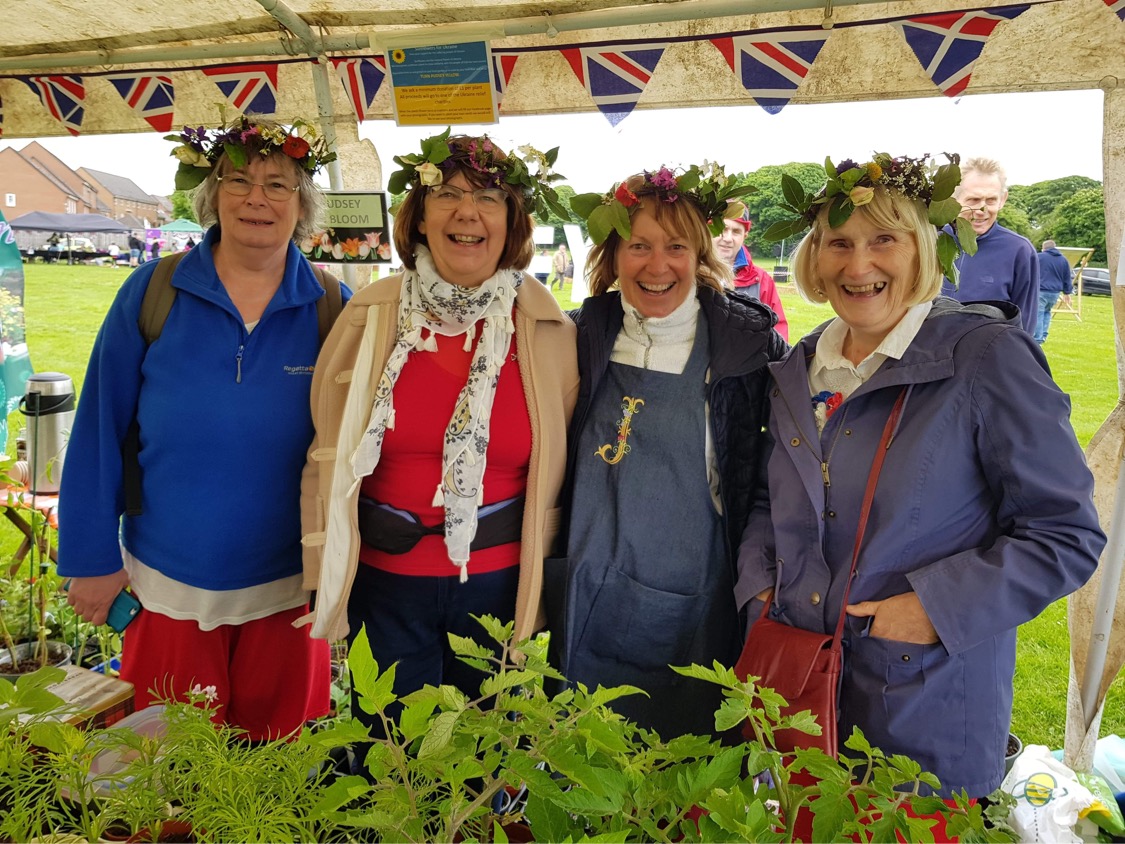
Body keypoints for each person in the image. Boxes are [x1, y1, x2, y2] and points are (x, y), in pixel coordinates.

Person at [736, 153, 1104, 810]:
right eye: (839, 243)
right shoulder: (798, 366)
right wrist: (759, 588)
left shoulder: (983, 358)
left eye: (884, 239)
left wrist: (935, 608)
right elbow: (771, 496)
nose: (858, 265)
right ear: (814, 257)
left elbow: (1064, 533)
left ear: (922, 249)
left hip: (921, 702)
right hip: (791, 684)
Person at [59, 114, 347, 740]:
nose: (256, 198)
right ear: (212, 194)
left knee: (272, 774)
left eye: (278, 184)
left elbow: (358, 449)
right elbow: (98, 430)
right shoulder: (152, 291)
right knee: (164, 776)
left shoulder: (333, 307)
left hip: (288, 590)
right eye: (237, 179)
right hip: (168, 584)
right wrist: (89, 557)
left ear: (304, 204)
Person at [298, 131, 578, 753]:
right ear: (419, 217)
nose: (466, 212)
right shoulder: (370, 314)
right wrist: (322, 570)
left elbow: (566, 462)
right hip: (385, 585)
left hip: (499, 590)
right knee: (391, 760)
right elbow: (326, 450)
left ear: (513, 223)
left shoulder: (548, 328)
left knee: (479, 767)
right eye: (447, 194)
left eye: (488, 198)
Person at [548, 165, 786, 740]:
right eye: (639, 247)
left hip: (690, 602)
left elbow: (780, 476)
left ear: (700, 255)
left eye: (676, 247)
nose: (658, 266)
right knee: (583, 760)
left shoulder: (745, 347)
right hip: (584, 596)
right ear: (612, 255)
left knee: (680, 773)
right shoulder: (579, 335)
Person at [941, 157, 1039, 336]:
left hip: (988, 358)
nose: (982, 209)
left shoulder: (1020, 251)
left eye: (991, 200)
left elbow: (1025, 326)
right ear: (954, 199)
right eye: (973, 200)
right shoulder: (931, 241)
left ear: (1003, 199)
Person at [712, 209, 789, 341]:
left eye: (736, 232)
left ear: (745, 236)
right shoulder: (688, 273)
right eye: (723, 229)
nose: (728, 238)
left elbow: (778, 332)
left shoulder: (762, 280)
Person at [1035, 238, 1074, 344]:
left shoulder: (1038, 257)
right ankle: (1043, 335)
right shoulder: (1063, 259)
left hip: (1041, 290)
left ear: (1044, 248)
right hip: (1055, 292)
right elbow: (1067, 277)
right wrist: (1067, 293)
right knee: (1047, 312)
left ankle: (1037, 338)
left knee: (1038, 313)